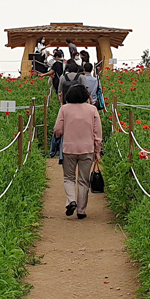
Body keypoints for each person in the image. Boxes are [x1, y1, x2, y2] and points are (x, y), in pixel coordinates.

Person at [53, 83, 102, 219]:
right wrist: (97, 150)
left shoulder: (64, 109)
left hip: (69, 148)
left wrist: (60, 136)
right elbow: (97, 132)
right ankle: (81, 211)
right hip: (87, 149)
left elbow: (57, 129)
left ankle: (71, 200)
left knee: (68, 178)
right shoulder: (92, 110)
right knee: (83, 180)